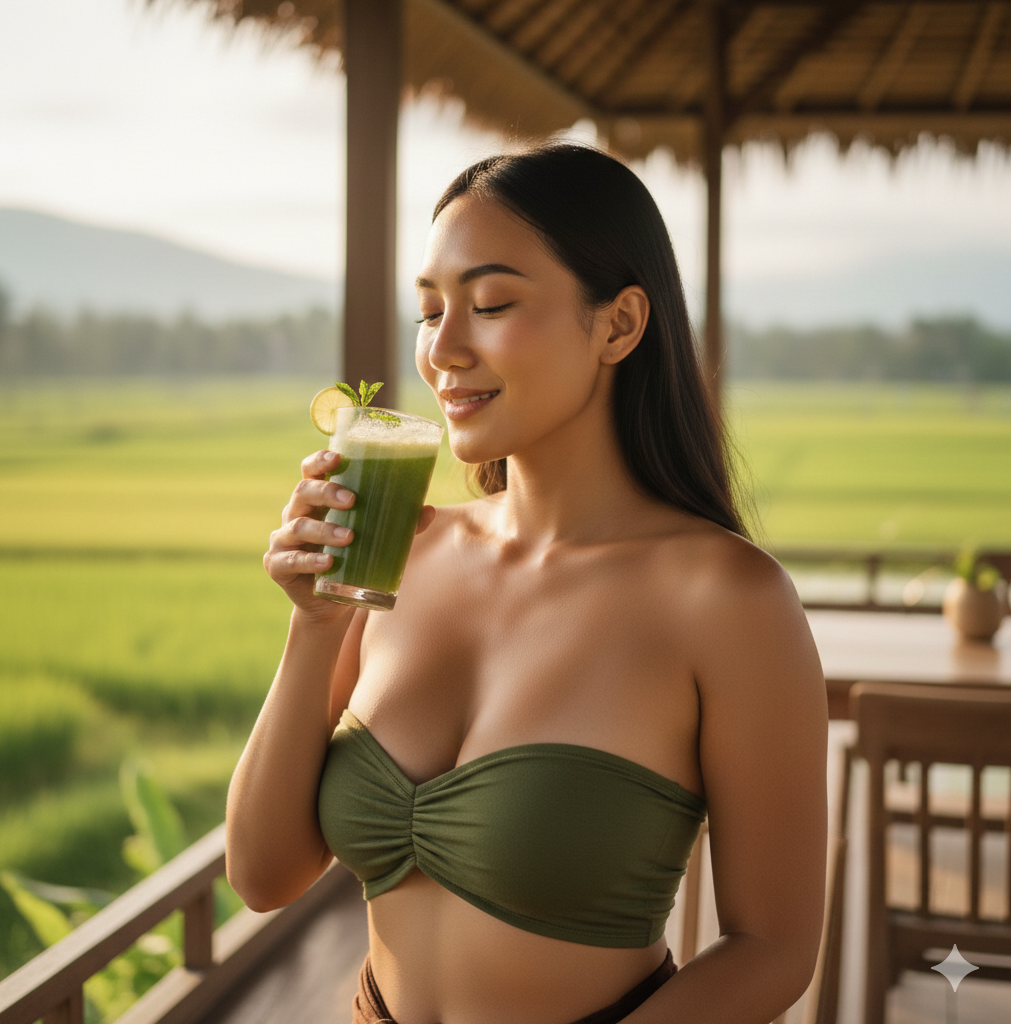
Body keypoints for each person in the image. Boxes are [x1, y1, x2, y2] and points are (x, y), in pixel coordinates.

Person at [227, 144, 827, 1024]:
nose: (442, 351)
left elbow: (773, 950)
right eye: (430, 311)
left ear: (619, 325)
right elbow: (261, 875)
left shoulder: (727, 600)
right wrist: (314, 628)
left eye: (491, 305)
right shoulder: (405, 552)